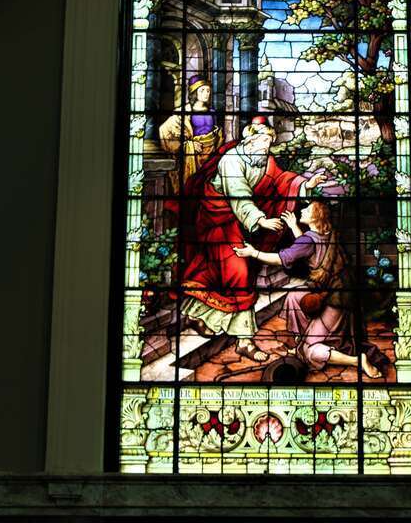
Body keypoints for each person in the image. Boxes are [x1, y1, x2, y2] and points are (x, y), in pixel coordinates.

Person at [180, 116, 325, 362]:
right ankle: (244, 341)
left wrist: (304, 184)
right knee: (239, 272)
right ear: (251, 139)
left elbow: (281, 179)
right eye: (264, 141)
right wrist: (261, 221)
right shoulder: (231, 161)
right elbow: (239, 196)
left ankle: (197, 315)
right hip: (218, 219)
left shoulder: (264, 159)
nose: (267, 147)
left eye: (269, 142)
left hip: (239, 222)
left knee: (219, 272)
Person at [234, 201, 387, 378]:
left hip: (335, 300)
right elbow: (307, 246)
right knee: (294, 297)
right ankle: (301, 341)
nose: (303, 210)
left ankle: (356, 360)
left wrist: (254, 253)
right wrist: (293, 226)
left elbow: (282, 258)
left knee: (312, 352)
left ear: (315, 217)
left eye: (307, 209)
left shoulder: (309, 239)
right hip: (336, 290)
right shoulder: (327, 233)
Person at [159, 75, 224, 189]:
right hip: (193, 154)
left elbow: (217, 133)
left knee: (207, 185)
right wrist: (188, 145)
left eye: (208, 90)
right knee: (193, 184)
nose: (206, 93)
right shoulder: (184, 112)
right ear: (194, 92)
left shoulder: (212, 112)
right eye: (202, 90)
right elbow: (164, 130)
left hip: (211, 154)